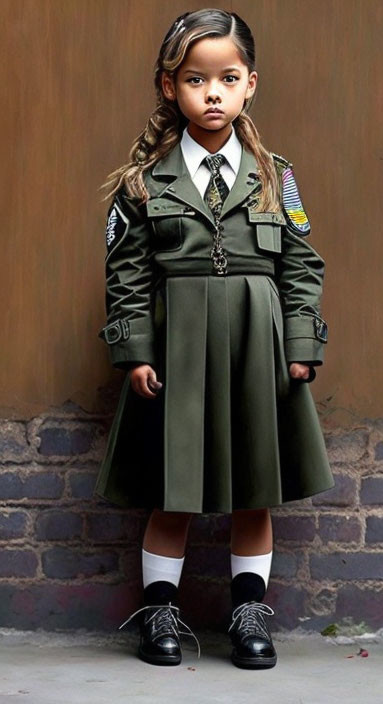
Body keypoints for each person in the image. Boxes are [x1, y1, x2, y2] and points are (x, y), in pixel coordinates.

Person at [96, 9, 333, 669]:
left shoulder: (273, 174)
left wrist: (301, 345)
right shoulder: (143, 185)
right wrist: (136, 350)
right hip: (178, 355)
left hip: (256, 349)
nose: (213, 93)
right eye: (196, 79)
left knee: (254, 486)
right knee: (175, 490)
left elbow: (301, 264)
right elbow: (126, 275)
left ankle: (249, 612)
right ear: (170, 87)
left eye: (227, 78)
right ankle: (161, 613)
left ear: (250, 83)